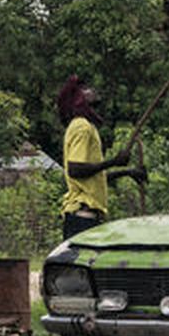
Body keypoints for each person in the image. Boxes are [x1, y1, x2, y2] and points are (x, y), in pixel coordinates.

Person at [57, 75, 145, 238]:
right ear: (77, 98)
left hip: (84, 218)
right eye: (84, 89)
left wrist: (127, 172)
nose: (91, 90)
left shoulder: (85, 126)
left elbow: (93, 178)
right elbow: (75, 170)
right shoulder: (82, 127)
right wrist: (113, 162)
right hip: (82, 218)